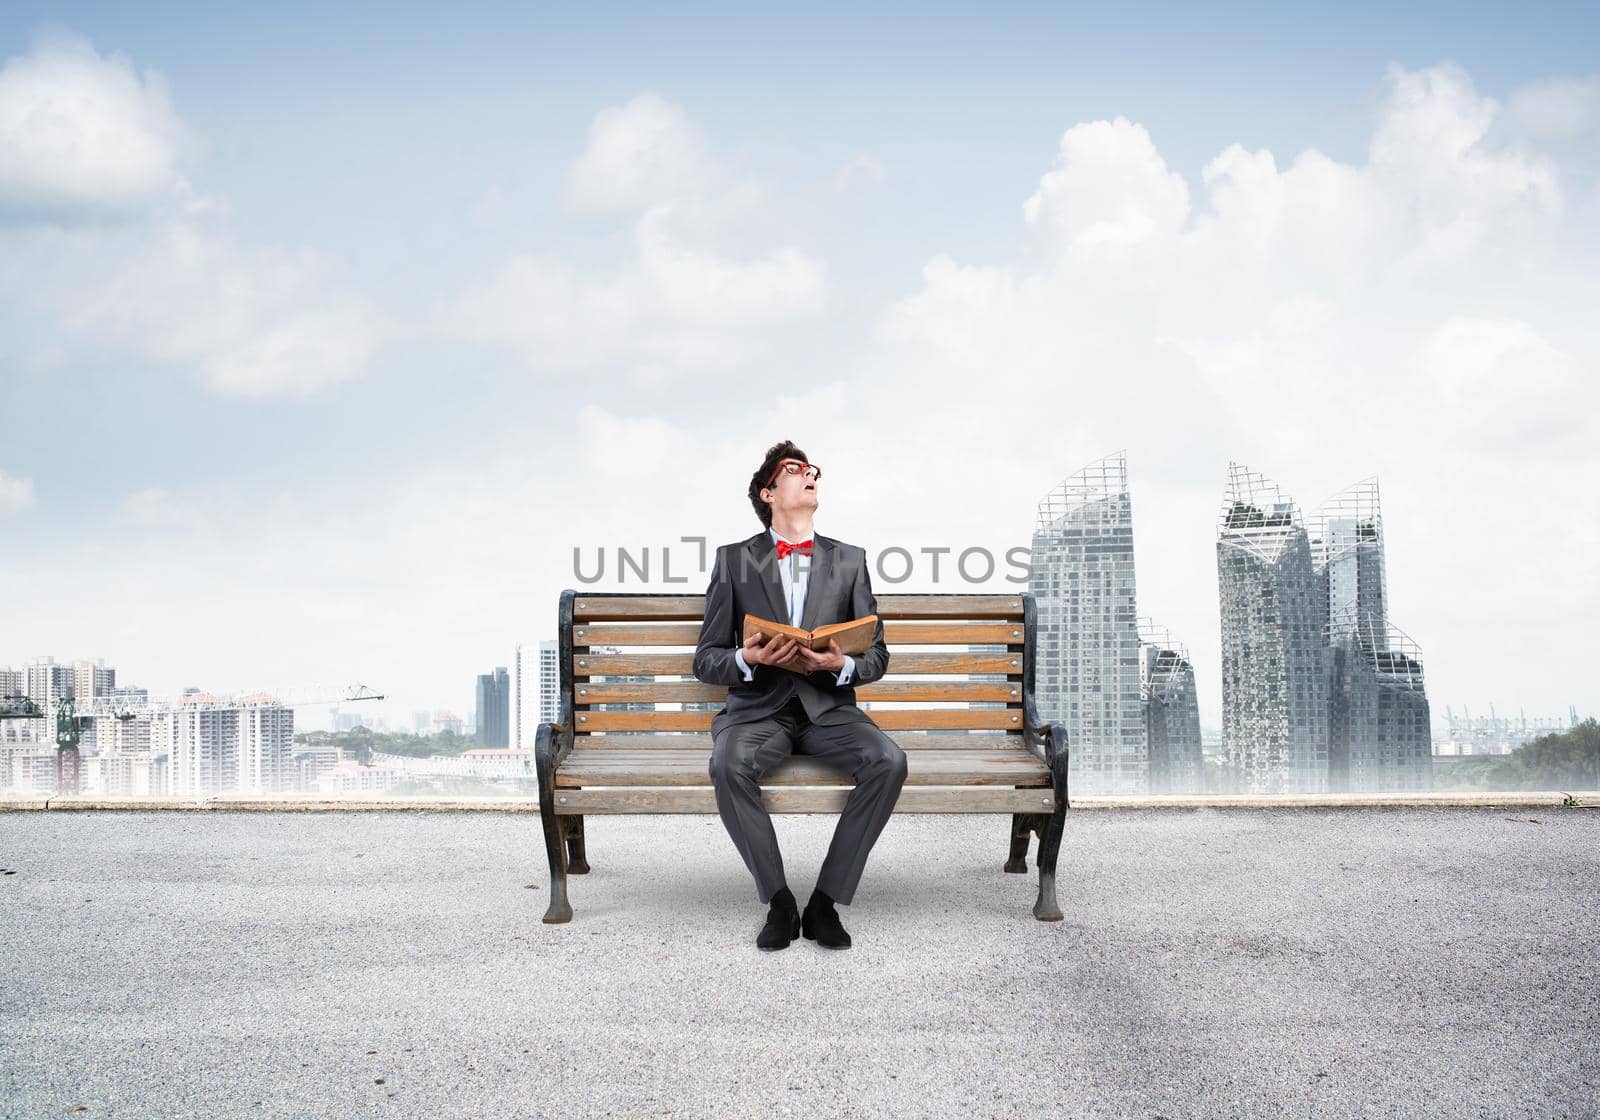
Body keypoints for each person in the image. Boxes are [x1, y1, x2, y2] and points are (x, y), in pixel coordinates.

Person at [693, 440, 908, 951]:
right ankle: (779, 902)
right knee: (726, 765)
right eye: (794, 470)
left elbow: (877, 656)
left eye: (813, 470)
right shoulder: (733, 561)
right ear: (768, 493)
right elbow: (706, 659)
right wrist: (748, 659)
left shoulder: (850, 561)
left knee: (889, 761)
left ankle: (825, 902)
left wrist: (842, 665)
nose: (809, 475)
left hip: (829, 710)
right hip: (757, 713)